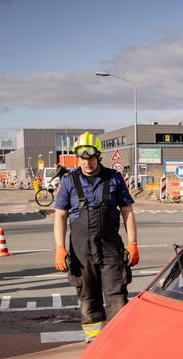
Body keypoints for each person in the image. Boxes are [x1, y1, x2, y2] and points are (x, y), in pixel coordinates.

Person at [53, 131, 139, 342]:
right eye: (83, 158)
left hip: (110, 248)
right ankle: (94, 342)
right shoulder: (69, 181)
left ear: (98, 156)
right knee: (88, 299)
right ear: (78, 158)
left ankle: (118, 341)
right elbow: (60, 215)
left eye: (90, 158)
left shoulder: (114, 178)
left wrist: (133, 243)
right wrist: (59, 247)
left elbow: (127, 211)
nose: (87, 163)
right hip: (82, 252)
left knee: (116, 296)